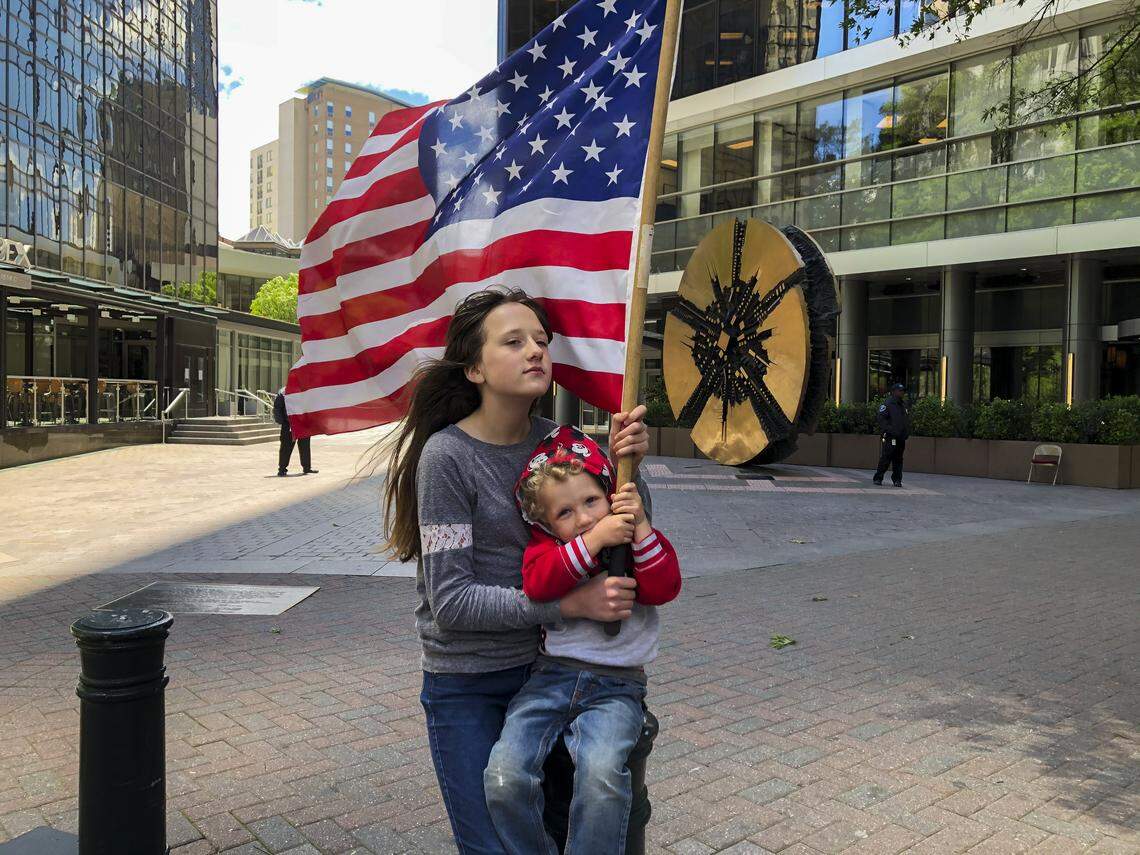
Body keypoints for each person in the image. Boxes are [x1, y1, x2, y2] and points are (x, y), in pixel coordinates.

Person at [379, 287, 650, 855]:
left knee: (576, 825)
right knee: (496, 846)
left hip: (553, 672)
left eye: (541, 341)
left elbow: (624, 542)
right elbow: (452, 605)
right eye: (514, 341)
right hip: (468, 685)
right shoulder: (447, 458)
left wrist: (631, 469)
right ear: (475, 367)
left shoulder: (563, 445)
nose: (536, 352)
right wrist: (570, 604)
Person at [483, 426, 680, 855]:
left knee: (602, 775)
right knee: (504, 777)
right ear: (547, 523)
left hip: (618, 686)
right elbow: (538, 584)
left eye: (592, 501)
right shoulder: (550, 548)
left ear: (609, 493)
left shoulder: (631, 538)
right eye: (566, 512)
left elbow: (664, 587)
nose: (586, 517)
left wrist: (640, 524)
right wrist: (593, 542)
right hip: (550, 679)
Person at [274, 388, 317, 477]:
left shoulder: (305, 390)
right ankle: (282, 469)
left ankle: (307, 467)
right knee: (286, 447)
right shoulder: (283, 392)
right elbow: (277, 408)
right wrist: (282, 421)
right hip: (289, 424)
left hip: (303, 424)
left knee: (305, 446)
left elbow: (310, 406)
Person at [873, 382, 909, 487]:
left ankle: (897, 480)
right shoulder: (888, 404)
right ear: (893, 392)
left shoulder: (903, 404)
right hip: (890, 437)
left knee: (898, 459)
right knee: (886, 457)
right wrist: (890, 430)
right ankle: (878, 478)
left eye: (903, 391)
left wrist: (906, 432)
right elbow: (881, 418)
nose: (902, 393)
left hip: (901, 437)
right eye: (899, 391)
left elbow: (906, 420)